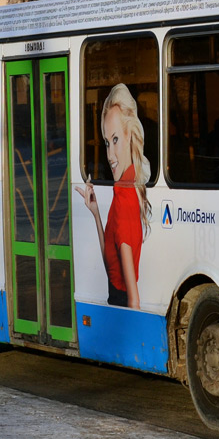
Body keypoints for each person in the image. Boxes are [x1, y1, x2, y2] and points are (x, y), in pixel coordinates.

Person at [75, 84, 151, 309]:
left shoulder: (124, 200)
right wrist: (96, 214)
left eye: (115, 139)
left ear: (130, 135)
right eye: (107, 143)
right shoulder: (127, 189)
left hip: (120, 310)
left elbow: (133, 297)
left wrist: (130, 333)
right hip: (116, 306)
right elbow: (111, 265)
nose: (109, 155)